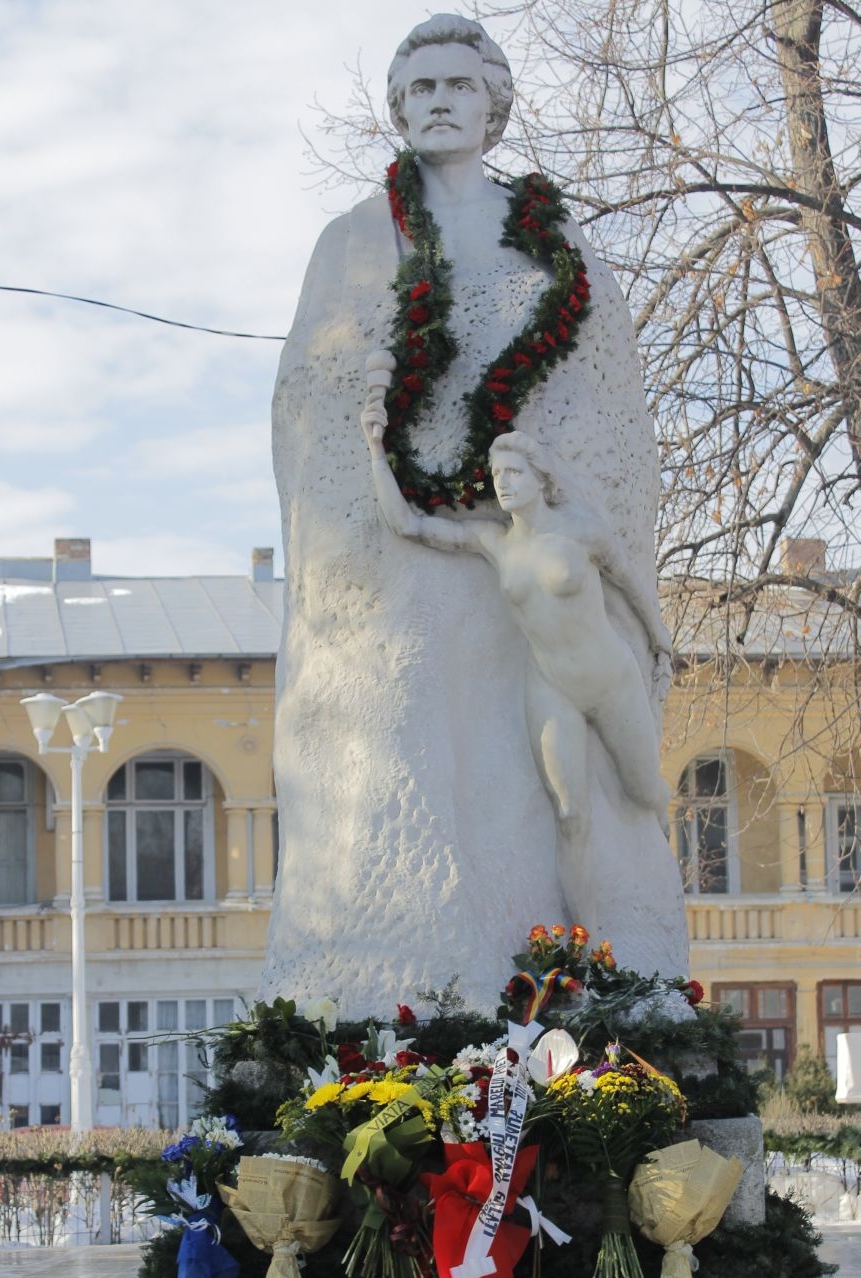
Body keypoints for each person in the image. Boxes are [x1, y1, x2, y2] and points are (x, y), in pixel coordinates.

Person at [259, 15, 689, 1018]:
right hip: (402, 555)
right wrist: (359, 415)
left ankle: (582, 999)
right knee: (410, 760)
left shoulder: (554, 247)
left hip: (528, 555)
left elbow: (602, 398)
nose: (438, 102)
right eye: (418, 90)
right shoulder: (356, 240)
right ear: (399, 111)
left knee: (550, 791)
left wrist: (560, 500)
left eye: (457, 84)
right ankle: (398, 1001)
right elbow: (305, 395)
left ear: (494, 106)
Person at [362, 376, 672, 907]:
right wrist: (375, 448)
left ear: (540, 478)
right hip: (551, 686)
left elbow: (633, 586)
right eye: (496, 475)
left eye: (513, 473)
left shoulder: (581, 532)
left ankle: (664, 894)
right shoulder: (494, 542)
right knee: (570, 814)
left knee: (646, 793)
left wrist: (662, 646)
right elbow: (408, 526)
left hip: (611, 678)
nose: (502, 483)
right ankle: (585, 953)